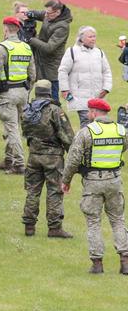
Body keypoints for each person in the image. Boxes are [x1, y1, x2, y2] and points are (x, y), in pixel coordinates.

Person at [61, 97, 127, 274]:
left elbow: (73, 159)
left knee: (93, 221)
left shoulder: (86, 132)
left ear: (94, 112)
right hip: (115, 180)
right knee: (118, 220)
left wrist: (66, 181)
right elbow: (123, 148)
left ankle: (97, 263)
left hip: (93, 182)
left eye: (89, 111)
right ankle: (125, 261)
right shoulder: (120, 130)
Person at [21, 79, 75, 238]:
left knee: (32, 190)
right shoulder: (55, 110)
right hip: (53, 158)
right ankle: (54, 227)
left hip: (33, 156)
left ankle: (29, 226)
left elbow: (26, 133)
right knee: (54, 191)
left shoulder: (28, 110)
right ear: (50, 92)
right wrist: (73, 156)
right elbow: (68, 136)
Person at [0, 18, 35, 175]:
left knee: (12, 129)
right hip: (23, 92)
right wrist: (27, 90)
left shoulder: (1, 49)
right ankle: (8, 159)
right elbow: (32, 74)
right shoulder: (26, 48)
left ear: (5, 29)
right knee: (14, 126)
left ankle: (19, 163)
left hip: (8, 92)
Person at [58, 25, 112, 128]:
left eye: (94, 36)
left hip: (98, 96)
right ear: (81, 38)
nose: (93, 39)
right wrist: (65, 89)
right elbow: (63, 71)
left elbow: (107, 72)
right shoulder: (72, 51)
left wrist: (106, 88)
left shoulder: (99, 52)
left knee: (99, 123)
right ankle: (86, 138)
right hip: (80, 97)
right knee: (86, 122)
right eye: (90, 37)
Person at [28, 0, 72, 101]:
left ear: (57, 12)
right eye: (46, 12)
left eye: (48, 13)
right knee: (40, 95)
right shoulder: (49, 16)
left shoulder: (63, 27)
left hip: (51, 67)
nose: (46, 15)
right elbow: (40, 14)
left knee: (52, 98)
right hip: (41, 61)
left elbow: (49, 48)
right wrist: (30, 13)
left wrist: (31, 39)